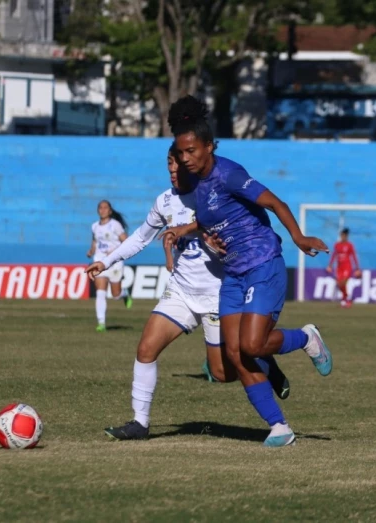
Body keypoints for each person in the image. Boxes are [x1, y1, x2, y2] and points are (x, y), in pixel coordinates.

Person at [86, 147, 291, 441]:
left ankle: (263, 359)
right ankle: (139, 423)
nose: (173, 171)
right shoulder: (164, 201)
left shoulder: (210, 195)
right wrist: (106, 261)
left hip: (218, 294)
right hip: (181, 292)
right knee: (146, 350)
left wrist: (214, 239)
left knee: (223, 374)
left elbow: (239, 223)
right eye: (169, 166)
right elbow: (140, 238)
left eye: (177, 165)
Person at [162, 95, 333, 447]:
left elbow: (274, 202)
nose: (186, 158)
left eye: (192, 151)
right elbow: (216, 216)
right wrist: (188, 230)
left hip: (262, 264)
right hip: (233, 274)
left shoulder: (229, 173)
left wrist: (298, 237)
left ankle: (306, 338)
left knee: (252, 345)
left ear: (209, 147)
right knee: (234, 357)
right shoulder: (197, 184)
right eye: (181, 153)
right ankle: (279, 428)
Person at [86, 200, 133, 331]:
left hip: (114, 262)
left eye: (105, 208)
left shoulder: (115, 225)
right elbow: (95, 241)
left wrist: (115, 250)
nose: (102, 210)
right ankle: (101, 323)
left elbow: (127, 242)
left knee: (115, 294)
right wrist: (91, 251)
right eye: (100, 207)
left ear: (110, 211)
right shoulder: (94, 226)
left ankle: (124, 295)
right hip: (100, 262)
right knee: (100, 293)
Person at [326, 227, 362, 308]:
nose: (343, 237)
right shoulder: (337, 245)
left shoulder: (349, 245)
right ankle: (347, 299)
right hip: (339, 268)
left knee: (343, 282)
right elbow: (334, 255)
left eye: (344, 235)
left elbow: (354, 256)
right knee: (340, 284)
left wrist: (357, 268)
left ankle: (344, 299)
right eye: (342, 235)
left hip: (347, 267)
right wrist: (330, 265)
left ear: (346, 236)